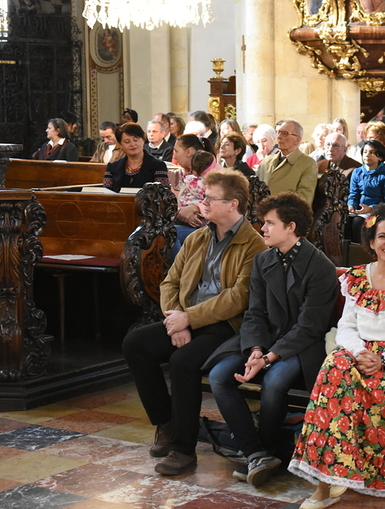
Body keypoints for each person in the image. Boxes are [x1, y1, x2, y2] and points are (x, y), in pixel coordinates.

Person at [289, 204, 385, 504]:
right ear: (371, 241)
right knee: (334, 372)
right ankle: (325, 483)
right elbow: (346, 327)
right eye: (382, 236)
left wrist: (384, 360)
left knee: (371, 387)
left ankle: (352, 476)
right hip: (359, 352)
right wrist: (361, 352)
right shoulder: (356, 278)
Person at [122, 169, 268, 475]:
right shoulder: (198, 237)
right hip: (185, 317)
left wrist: (189, 318)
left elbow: (237, 298)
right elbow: (170, 282)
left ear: (233, 204)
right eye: (204, 196)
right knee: (136, 343)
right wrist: (175, 319)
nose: (203, 203)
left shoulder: (254, 245)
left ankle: (183, 449)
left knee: (183, 362)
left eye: (211, 198)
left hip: (225, 325)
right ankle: (167, 422)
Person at [207, 192, 338, 488]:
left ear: (291, 227)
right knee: (218, 375)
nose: (262, 228)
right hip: (264, 339)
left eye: (269, 223)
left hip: (302, 346)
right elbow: (254, 313)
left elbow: (309, 327)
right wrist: (256, 350)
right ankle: (257, 454)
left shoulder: (320, 266)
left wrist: (268, 358)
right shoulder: (262, 259)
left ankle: (266, 451)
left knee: (275, 381)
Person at [257, 119, 318, 205]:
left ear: (297, 139)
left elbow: (304, 199)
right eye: (278, 132)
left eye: (284, 133)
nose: (279, 137)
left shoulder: (308, 164)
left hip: (287, 212)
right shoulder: (266, 162)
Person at [348, 140, 385, 243]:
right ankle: (347, 249)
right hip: (359, 211)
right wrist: (351, 205)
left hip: (377, 214)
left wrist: (371, 209)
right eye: (365, 152)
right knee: (345, 222)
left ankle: (360, 249)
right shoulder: (357, 172)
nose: (367, 155)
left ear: (380, 157)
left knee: (360, 223)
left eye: (371, 152)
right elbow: (353, 193)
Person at [103, 123, 170, 192]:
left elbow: (163, 194)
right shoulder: (112, 167)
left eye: (135, 140)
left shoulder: (158, 165)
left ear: (143, 140)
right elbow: (105, 194)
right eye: (127, 142)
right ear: (120, 145)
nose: (132, 144)